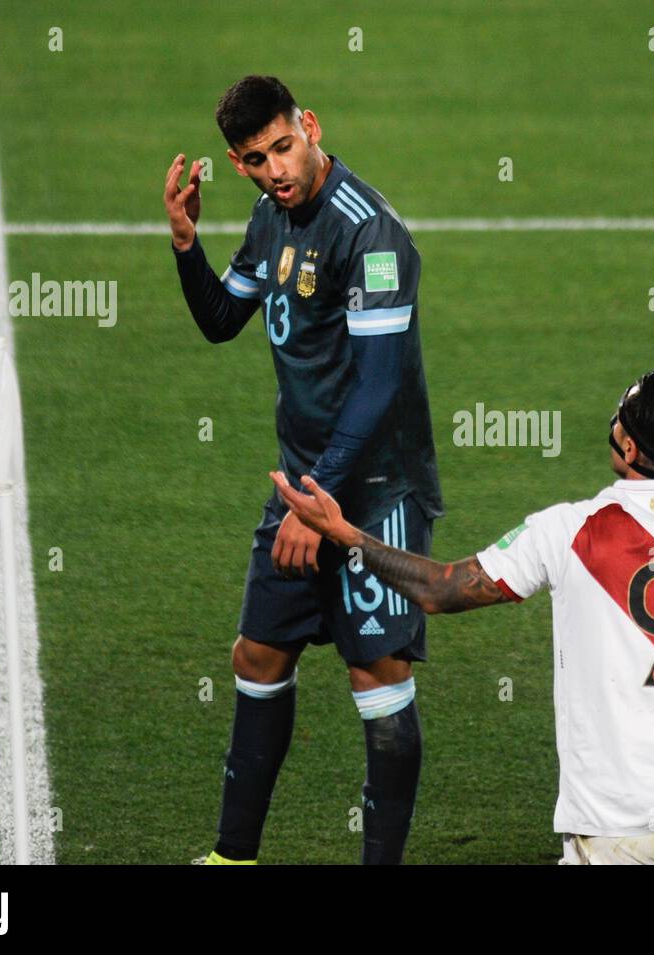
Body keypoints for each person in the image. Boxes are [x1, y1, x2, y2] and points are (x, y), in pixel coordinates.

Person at [270, 368, 654, 864]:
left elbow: (439, 589)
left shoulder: (566, 530)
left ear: (626, 443)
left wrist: (347, 534)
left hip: (616, 825)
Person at [164, 75, 443, 864]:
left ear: (310, 126)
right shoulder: (267, 216)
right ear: (238, 161)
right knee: (258, 655)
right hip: (302, 484)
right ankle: (232, 856)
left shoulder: (372, 234)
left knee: (377, 675)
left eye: (284, 147)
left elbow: (382, 386)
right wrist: (187, 243)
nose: (276, 169)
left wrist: (315, 500)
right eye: (257, 159)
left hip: (375, 489)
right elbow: (223, 321)